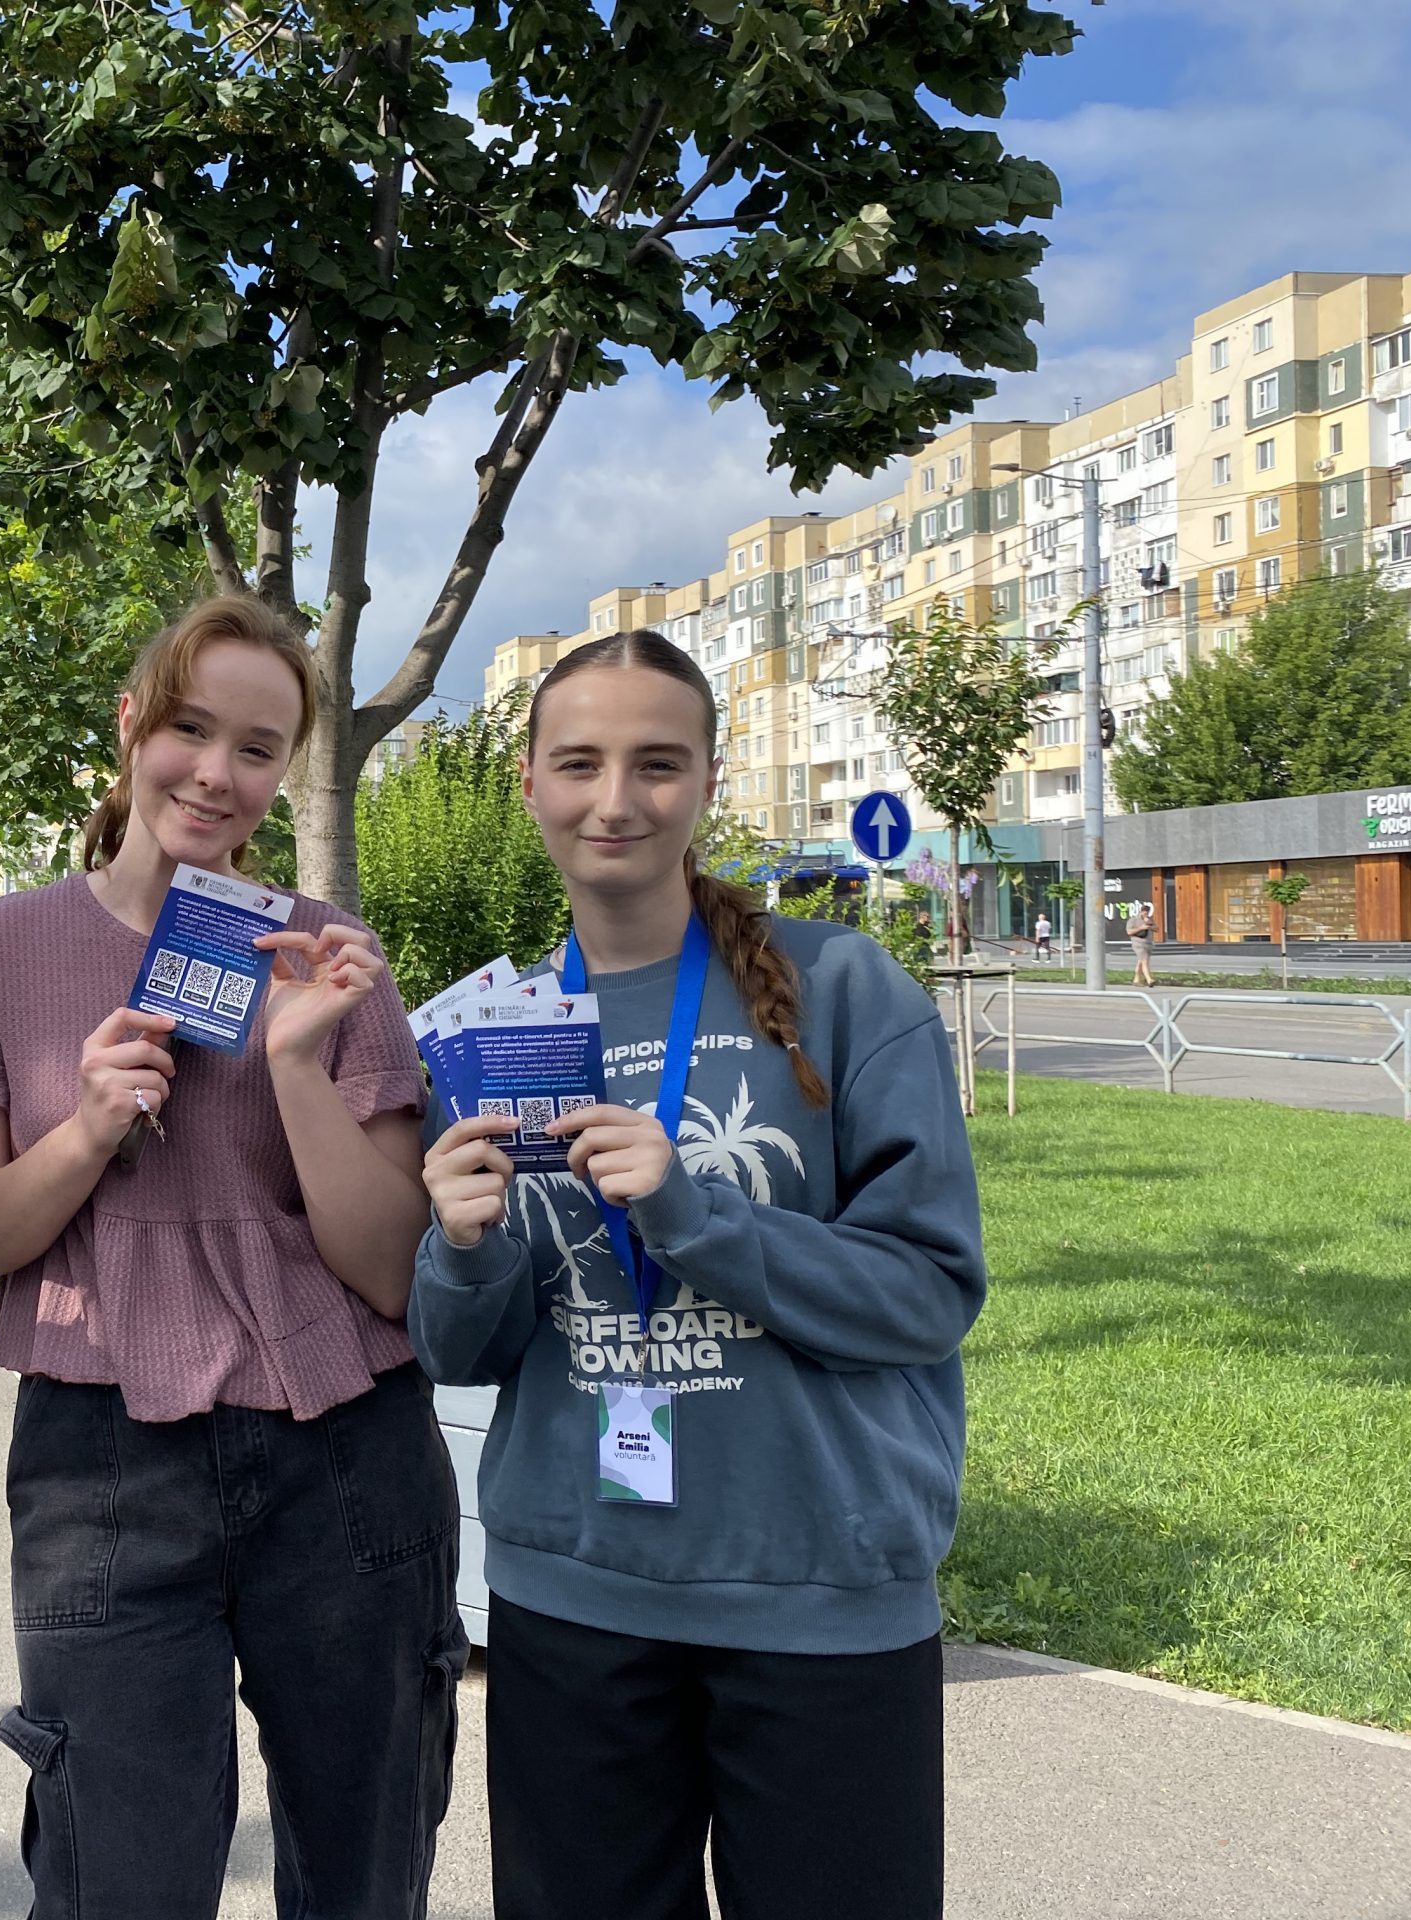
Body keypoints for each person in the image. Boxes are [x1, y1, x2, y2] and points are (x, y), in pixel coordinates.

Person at [409, 629, 986, 1920]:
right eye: (579, 763)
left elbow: (928, 1292)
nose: (615, 800)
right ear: (529, 783)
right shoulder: (491, 1029)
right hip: (572, 1601)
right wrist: (461, 1247)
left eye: (657, 764)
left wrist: (693, 1214)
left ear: (710, 781)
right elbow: (460, 1351)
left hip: (818, 1598)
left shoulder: (843, 989)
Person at [0, 593, 465, 1920]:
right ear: (130, 724)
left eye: (258, 748)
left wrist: (295, 1061)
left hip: (345, 1449)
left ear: (285, 772)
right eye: (189, 729)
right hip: (102, 1460)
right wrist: (88, 1129)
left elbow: (391, 1272)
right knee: (119, 1879)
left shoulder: (328, 958)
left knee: (365, 1872)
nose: (216, 773)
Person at [1129, 897, 1156, 985]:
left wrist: (1149, 924)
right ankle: (1149, 980)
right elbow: (1129, 932)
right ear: (1140, 911)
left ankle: (1136, 980)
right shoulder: (1133, 920)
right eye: (1144, 911)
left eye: (1147, 912)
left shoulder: (1149, 919)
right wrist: (1141, 928)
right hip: (1138, 944)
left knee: (1141, 961)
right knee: (1144, 961)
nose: (1146, 913)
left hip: (1148, 943)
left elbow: (1157, 929)